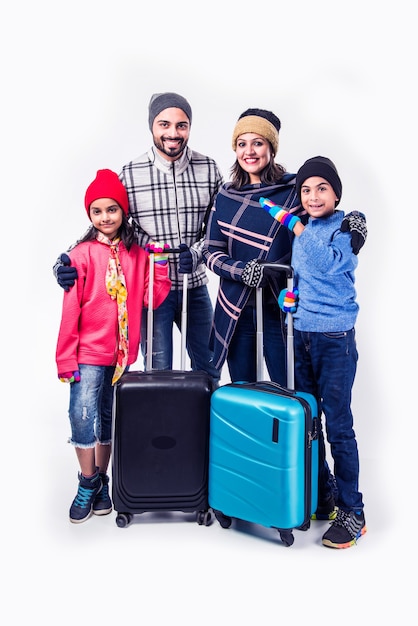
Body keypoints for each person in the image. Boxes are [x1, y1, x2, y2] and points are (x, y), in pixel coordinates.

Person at [54, 92, 223, 384]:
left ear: (189, 128)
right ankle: (164, 429)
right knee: (158, 369)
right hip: (150, 290)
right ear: (152, 127)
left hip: (194, 286)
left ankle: (204, 429)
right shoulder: (131, 174)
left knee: (209, 363)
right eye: (164, 124)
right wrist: (63, 261)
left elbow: (218, 225)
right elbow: (109, 224)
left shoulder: (208, 169)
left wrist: (196, 252)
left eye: (181, 125)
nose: (173, 133)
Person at [202, 108, 367, 385]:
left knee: (289, 386)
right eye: (242, 144)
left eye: (258, 143)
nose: (249, 151)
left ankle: (291, 430)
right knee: (243, 389)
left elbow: (324, 208)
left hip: (282, 305)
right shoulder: (226, 195)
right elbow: (210, 252)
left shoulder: (293, 189)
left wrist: (354, 220)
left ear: (271, 148)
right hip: (236, 308)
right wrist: (241, 271)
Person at [56, 169, 171, 523]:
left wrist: (161, 264)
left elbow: (152, 298)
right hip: (87, 353)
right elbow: (70, 308)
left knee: (107, 417)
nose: (105, 217)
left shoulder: (137, 254)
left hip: (120, 354)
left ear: (123, 211)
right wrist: (65, 358)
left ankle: (102, 480)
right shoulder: (82, 254)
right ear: (89, 215)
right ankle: (87, 481)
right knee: (82, 416)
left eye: (112, 210)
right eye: (97, 211)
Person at [265, 155, 366, 549]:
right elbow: (306, 274)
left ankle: (352, 511)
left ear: (336, 193)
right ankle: (325, 497)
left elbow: (329, 265)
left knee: (338, 424)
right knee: (311, 424)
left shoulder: (345, 227)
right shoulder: (302, 230)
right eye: (305, 190)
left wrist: (294, 224)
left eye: (321, 187)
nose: (312, 195)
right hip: (302, 334)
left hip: (335, 339)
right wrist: (293, 300)